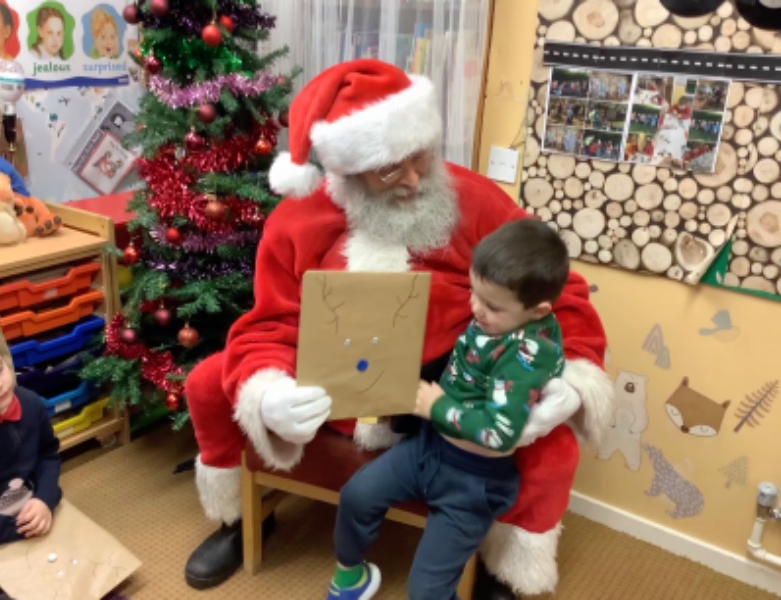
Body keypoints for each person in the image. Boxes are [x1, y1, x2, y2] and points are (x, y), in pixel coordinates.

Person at [183, 58, 613, 600]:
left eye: (420, 156)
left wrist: (572, 376)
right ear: (347, 167)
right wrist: (269, 396)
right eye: (389, 168)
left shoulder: (473, 199)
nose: (412, 178)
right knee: (207, 383)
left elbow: (555, 290)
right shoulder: (295, 221)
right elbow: (271, 321)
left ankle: (504, 564)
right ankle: (239, 519)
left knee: (552, 443)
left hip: (450, 388)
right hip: (334, 390)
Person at [328, 218, 569, 599]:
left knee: (427, 591)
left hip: (474, 481)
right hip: (428, 448)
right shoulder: (497, 315)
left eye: (492, 306)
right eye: (475, 293)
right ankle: (351, 573)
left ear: (538, 311)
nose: (476, 308)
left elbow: (499, 432)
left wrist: (438, 406)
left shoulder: (531, 353)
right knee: (357, 494)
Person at [0, 332, 62, 596]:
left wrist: (45, 499)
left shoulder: (30, 403)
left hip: (30, 508)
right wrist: (18, 528)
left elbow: (48, 455)